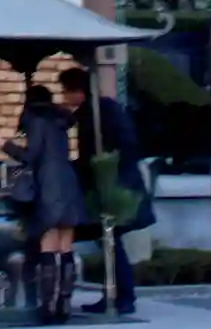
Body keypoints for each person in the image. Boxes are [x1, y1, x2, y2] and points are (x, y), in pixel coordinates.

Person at [58, 67, 155, 316]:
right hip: (106, 185)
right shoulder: (92, 112)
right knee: (108, 243)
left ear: (78, 91)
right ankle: (113, 293)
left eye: (66, 91)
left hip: (114, 186)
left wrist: (104, 170)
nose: (64, 97)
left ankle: (123, 296)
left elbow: (120, 148)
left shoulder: (101, 112)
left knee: (111, 242)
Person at [3, 84, 86, 324]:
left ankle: (47, 305)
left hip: (48, 186)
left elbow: (31, 156)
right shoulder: (60, 120)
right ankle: (64, 303)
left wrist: (6, 145)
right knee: (66, 245)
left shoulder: (36, 121)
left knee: (48, 243)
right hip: (68, 182)